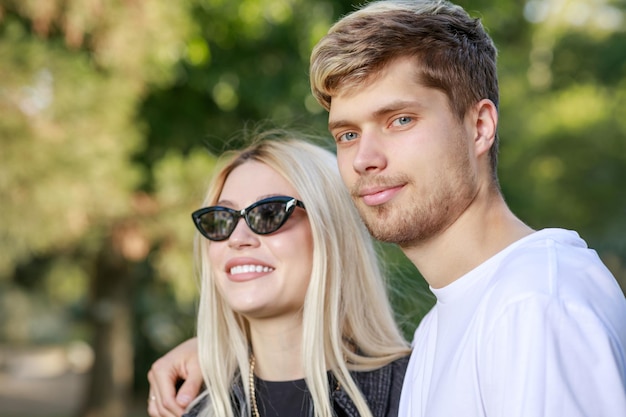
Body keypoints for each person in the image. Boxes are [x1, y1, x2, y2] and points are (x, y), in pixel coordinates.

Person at [150, 1, 626, 416]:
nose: (364, 159)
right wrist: (217, 354)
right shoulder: (445, 327)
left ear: (480, 126)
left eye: (400, 120)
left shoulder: (535, 305)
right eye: (348, 134)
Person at [147, 131, 410, 417]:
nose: (238, 238)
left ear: (332, 232)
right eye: (222, 219)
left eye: (269, 213)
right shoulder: (191, 402)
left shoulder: (415, 386)